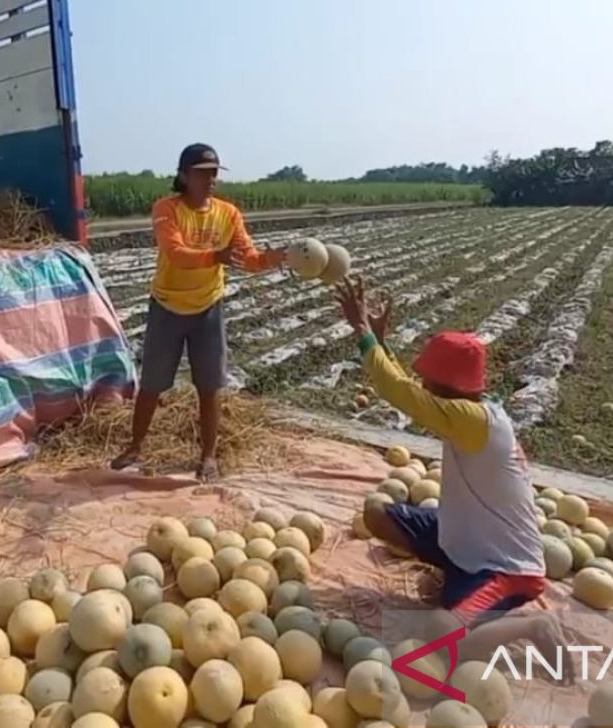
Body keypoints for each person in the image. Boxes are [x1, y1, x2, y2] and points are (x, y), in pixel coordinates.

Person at [335, 278, 571, 676]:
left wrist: (363, 334)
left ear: (447, 388)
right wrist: (380, 343)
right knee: (377, 513)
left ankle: (532, 625)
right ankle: (452, 578)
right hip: (458, 538)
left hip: (504, 568)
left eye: (430, 379)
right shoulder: (469, 410)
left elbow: (403, 394)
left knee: (440, 635)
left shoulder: (471, 421)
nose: (423, 384)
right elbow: (414, 393)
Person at [111, 143, 284, 480]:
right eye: (203, 173)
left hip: (208, 307)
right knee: (153, 384)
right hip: (167, 306)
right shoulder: (166, 209)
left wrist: (268, 259)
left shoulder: (228, 213)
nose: (211, 179)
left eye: (214, 173)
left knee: (210, 384)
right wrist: (214, 256)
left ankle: (208, 456)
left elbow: (245, 256)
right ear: (183, 176)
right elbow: (175, 253)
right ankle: (135, 446)